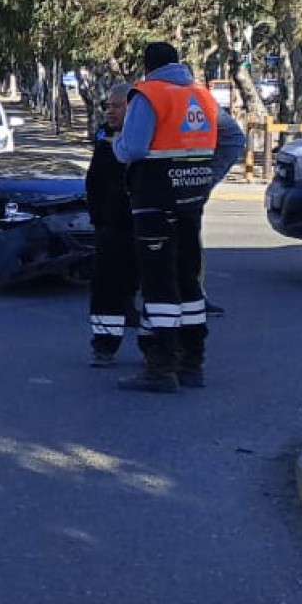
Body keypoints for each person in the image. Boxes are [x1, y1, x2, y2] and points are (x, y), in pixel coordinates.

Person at [112, 42, 245, 392]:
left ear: (147, 67)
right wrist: (207, 179)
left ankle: (161, 367)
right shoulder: (200, 97)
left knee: (158, 284)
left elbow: (135, 147)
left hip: (154, 202)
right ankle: (192, 364)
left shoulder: (148, 94)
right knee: (188, 280)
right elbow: (234, 139)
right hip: (189, 201)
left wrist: (115, 146)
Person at [85, 84, 138, 367]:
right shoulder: (104, 135)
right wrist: (98, 218)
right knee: (106, 287)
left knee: (152, 288)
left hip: (144, 224)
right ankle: (104, 346)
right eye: (108, 106)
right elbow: (95, 180)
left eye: (116, 106)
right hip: (111, 226)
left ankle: (155, 348)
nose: (110, 111)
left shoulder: (146, 137)